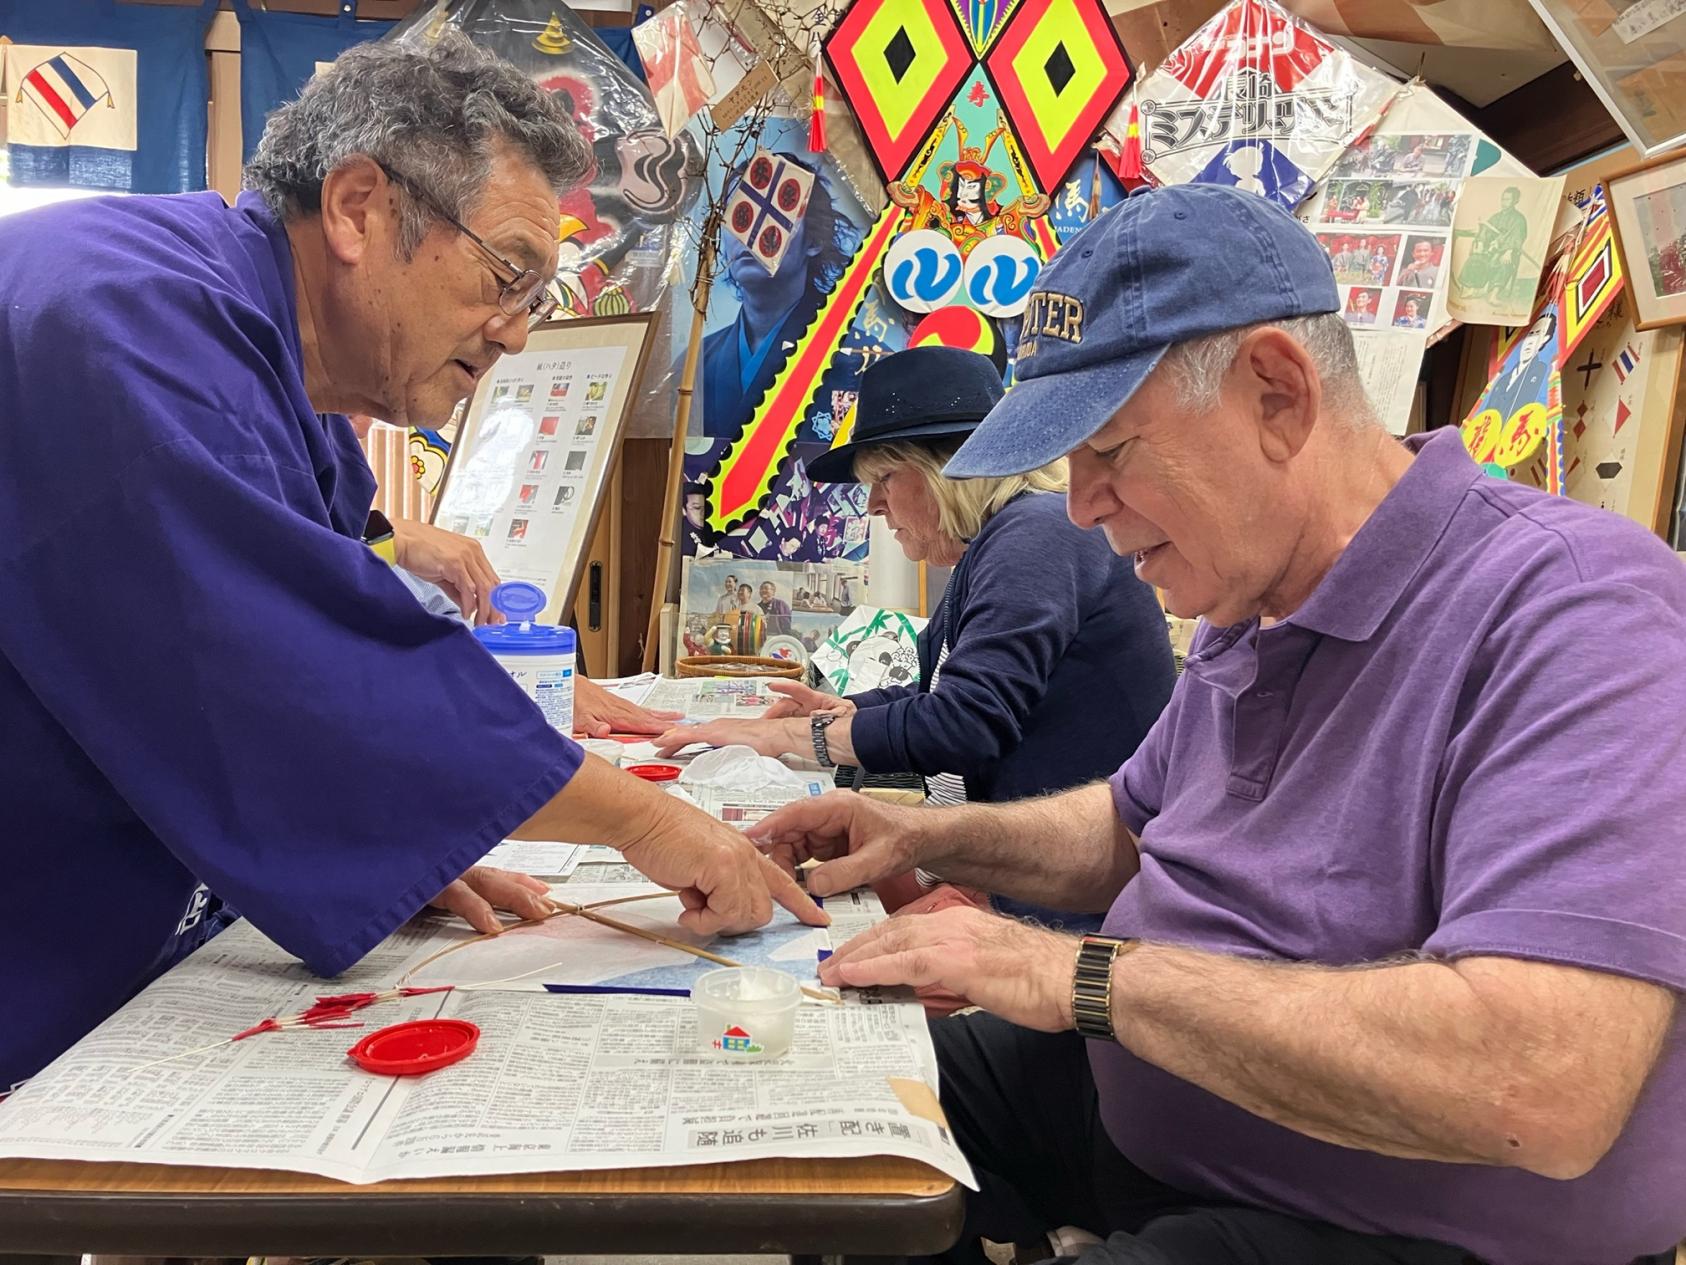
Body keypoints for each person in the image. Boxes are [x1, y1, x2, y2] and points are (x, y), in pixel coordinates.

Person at [749, 185, 1686, 1265]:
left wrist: (1080, 974)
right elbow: (1134, 825)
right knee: (824, 1120)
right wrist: (924, 835)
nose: (1085, 504)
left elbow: (1542, 1079)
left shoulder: (1577, 610)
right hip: (1156, 1106)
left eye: (1109, 448)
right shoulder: (1249, 590)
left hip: (1378, 1217)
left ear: (1277, 394)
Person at [0, 34, 822, 1091]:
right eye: (508, 276)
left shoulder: (262, 357)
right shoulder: (126, 315)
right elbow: (298, 672)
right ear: (356, 208)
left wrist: (396, 838)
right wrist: (651, 820)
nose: (517, 336)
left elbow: (253, 685)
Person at [660, 346, 1177, 929]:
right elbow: (935, 689)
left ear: (950, 468)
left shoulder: (1038, 536)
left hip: (1071, 903)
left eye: (883, 478)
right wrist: (844, 711)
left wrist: (797, 735)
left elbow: (963, 722)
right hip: (1011, 866)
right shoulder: (995, 545)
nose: (875, 505)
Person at [698, 153, 856, 439]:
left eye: (776, 213)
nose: (751, 233)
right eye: (740, 214)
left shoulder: (853, 357)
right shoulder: (697, 363)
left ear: (814, 240)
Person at [1483, 310, 1557, 422]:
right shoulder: (1502, 379)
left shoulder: (1543, 372)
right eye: (1531, 334)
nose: (1531, 341)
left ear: (1545, 339)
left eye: (1538, 334)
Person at [730, 583, 766, 655]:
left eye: (742, 590)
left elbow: (763, 624)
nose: (740, 592)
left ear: (749, 593)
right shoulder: (736, 609)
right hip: (738, 644)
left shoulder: (755, 608)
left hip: (751, 644)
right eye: (739, 590)